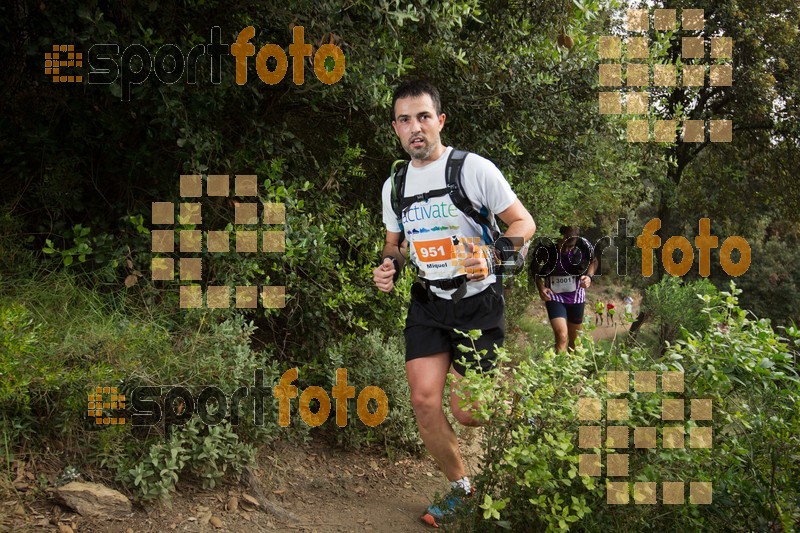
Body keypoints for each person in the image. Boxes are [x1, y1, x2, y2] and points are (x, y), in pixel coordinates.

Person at [372, 79, 536, 527]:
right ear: (395, 129)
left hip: (477, 302)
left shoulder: (473, 170)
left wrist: (494, 254)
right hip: (428, 301)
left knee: (468, 412)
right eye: (405, 119)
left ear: (440, 120)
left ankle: (521, 410)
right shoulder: (396, 184)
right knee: (425, 401)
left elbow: (524, 223)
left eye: (423, 116)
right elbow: (395, 245)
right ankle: (462, 487)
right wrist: (389, 267)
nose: (415, 127)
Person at [530, 226, 598, 352]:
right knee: (561, 335)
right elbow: (534, 270)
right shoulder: (547, 248)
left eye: (570, 246)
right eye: (563, 245)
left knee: (574, 342)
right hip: (554, 296)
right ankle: (557, 369)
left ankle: (571, 369)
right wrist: (541, 288)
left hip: (576, 296)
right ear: (558, 238)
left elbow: (593, 261)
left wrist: (589, 277)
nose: (566, 250)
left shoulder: (583, 246)